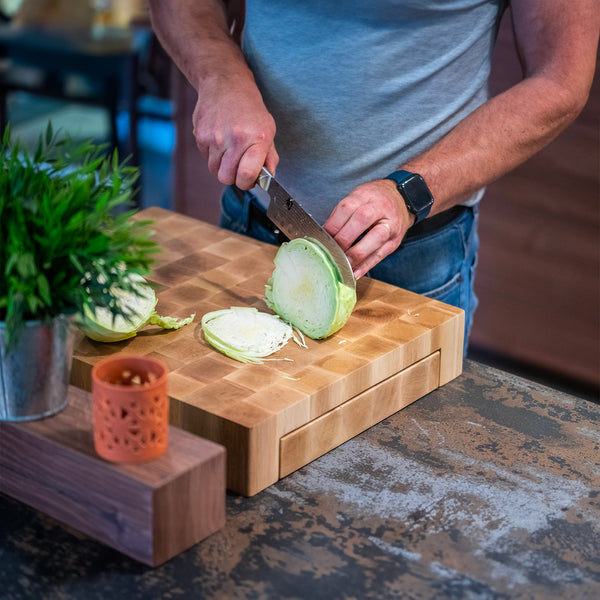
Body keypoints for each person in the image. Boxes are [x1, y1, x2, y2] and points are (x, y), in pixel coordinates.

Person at [147, 0, 598, 348]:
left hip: (412, 257)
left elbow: (560, 79)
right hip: (251, 220)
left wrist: (411, 192)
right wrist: (219, 74)